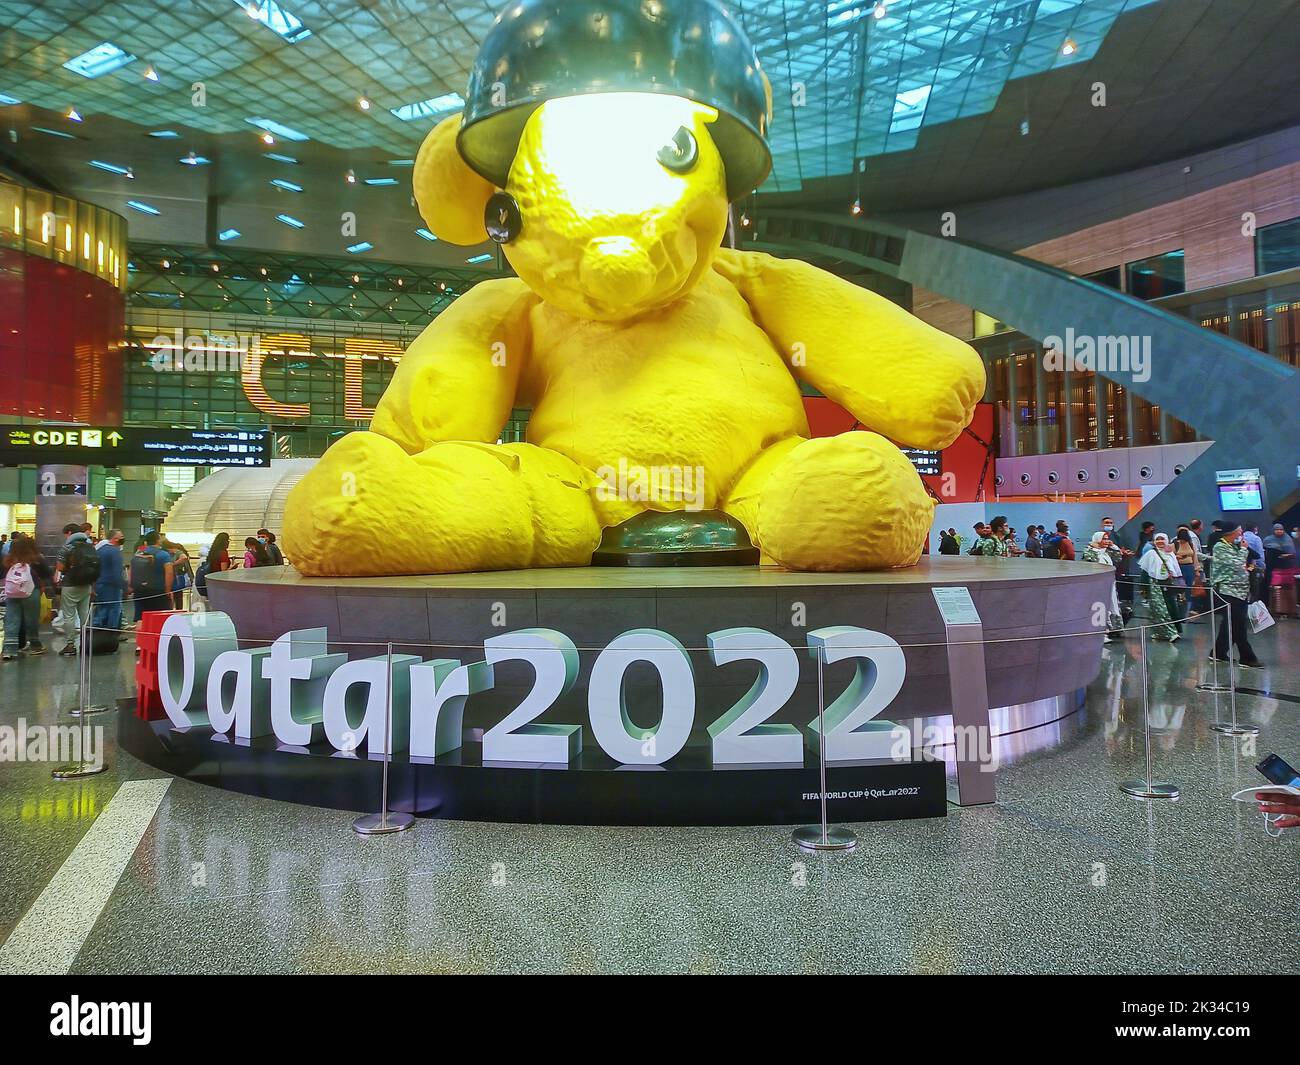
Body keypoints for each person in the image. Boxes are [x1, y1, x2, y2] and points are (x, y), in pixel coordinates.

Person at [1209, 523, 1262, 668]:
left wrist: (1243, 548)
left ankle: (1218, 653)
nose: (1241, 535)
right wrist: (1243, 550)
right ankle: (1247, 657)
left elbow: (1254, 556)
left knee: (1229, 623)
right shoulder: (1220, 547)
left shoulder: (1235, 546)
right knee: (1239, 624)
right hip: (1228, 591)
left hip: (1241, 591)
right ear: (1231, 533)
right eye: (1239, 532)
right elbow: (1236, 563)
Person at [55, 522, 100, 657]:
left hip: (70, 584)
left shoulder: (67, 547)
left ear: (69, 533)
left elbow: (60, 567)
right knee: (84, 614)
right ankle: (86, 643)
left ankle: (70, 645)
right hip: (86, 584)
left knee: (69, 616)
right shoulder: (90, 546)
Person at [2, 536, 48, 659]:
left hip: (12, 593)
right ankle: (35, 645)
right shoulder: (36, 559)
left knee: (12, 619)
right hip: (31, 592)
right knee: (31, 619)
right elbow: (47, 573)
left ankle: (9, 650)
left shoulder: (8, 559)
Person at [1137, 533, 1183, 642]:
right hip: (1155, 585)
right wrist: (1143, 588)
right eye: (1157, 540)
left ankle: (1163, 632)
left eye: (1162, 539)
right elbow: (1145, 571)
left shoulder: (1169, 553)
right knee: (1159, 609)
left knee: (1171, 607)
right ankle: (1170, 633)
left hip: (1169, 584)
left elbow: (1176, 569)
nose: (1160, 542)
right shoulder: (1151, 553)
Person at [1083, 532, 1124, 641]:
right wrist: (1094, 548)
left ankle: (1113, 629)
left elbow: (1118, 558)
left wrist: (1113, 546)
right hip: (1097, 586)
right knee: (1100, 607)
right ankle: (1100, 633)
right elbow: (1092, 559)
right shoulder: (1089, 551)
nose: (1106, 541)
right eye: (1104, 539)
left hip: (1110, 584)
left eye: (1107, 539)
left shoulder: (1106, 552)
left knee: (1111, 606)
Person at [130, 531, 174, 619]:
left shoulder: (139, 553)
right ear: (158, 541)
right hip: (157, 591)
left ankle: (140, 632)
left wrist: (131, 586)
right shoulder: (163, 555)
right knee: (160, 617)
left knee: (140, 617)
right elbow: (169, 573)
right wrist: (168, 590)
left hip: (139, 590)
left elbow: (131, 570)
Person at [92, 530, 127, 637]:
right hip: (112, 585)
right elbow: (118, 572)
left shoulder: (100, 550)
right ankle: (111, 634)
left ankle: (97, 632)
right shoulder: (115, 551)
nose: (123, 538)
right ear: (115, 539)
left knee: (101, 608)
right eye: (121, 536)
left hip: (99, 583)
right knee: (113, 609)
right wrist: (124, 587)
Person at [1174, 526, 1203, 621]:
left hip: (1189, 568)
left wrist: (1197, 570)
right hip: (1179, 569)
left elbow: (1195, 558)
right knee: (1180, 590)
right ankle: (1179, 613)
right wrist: (1176, 557)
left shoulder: (1191, 544)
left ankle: (1186, 613)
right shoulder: (1174, 544)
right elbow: (1170, 557)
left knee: (1189, 591)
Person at [1263, 522, 1296, 589]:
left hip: (1286, 566)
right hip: (1272, 567)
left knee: (1286, 586)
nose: (1279, 531)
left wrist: (1286, 555)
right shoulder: (1268, 539)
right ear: (1273, 530)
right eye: (1277, 529)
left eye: (1281, 529)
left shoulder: (1288, 539)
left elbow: (1292, 552)